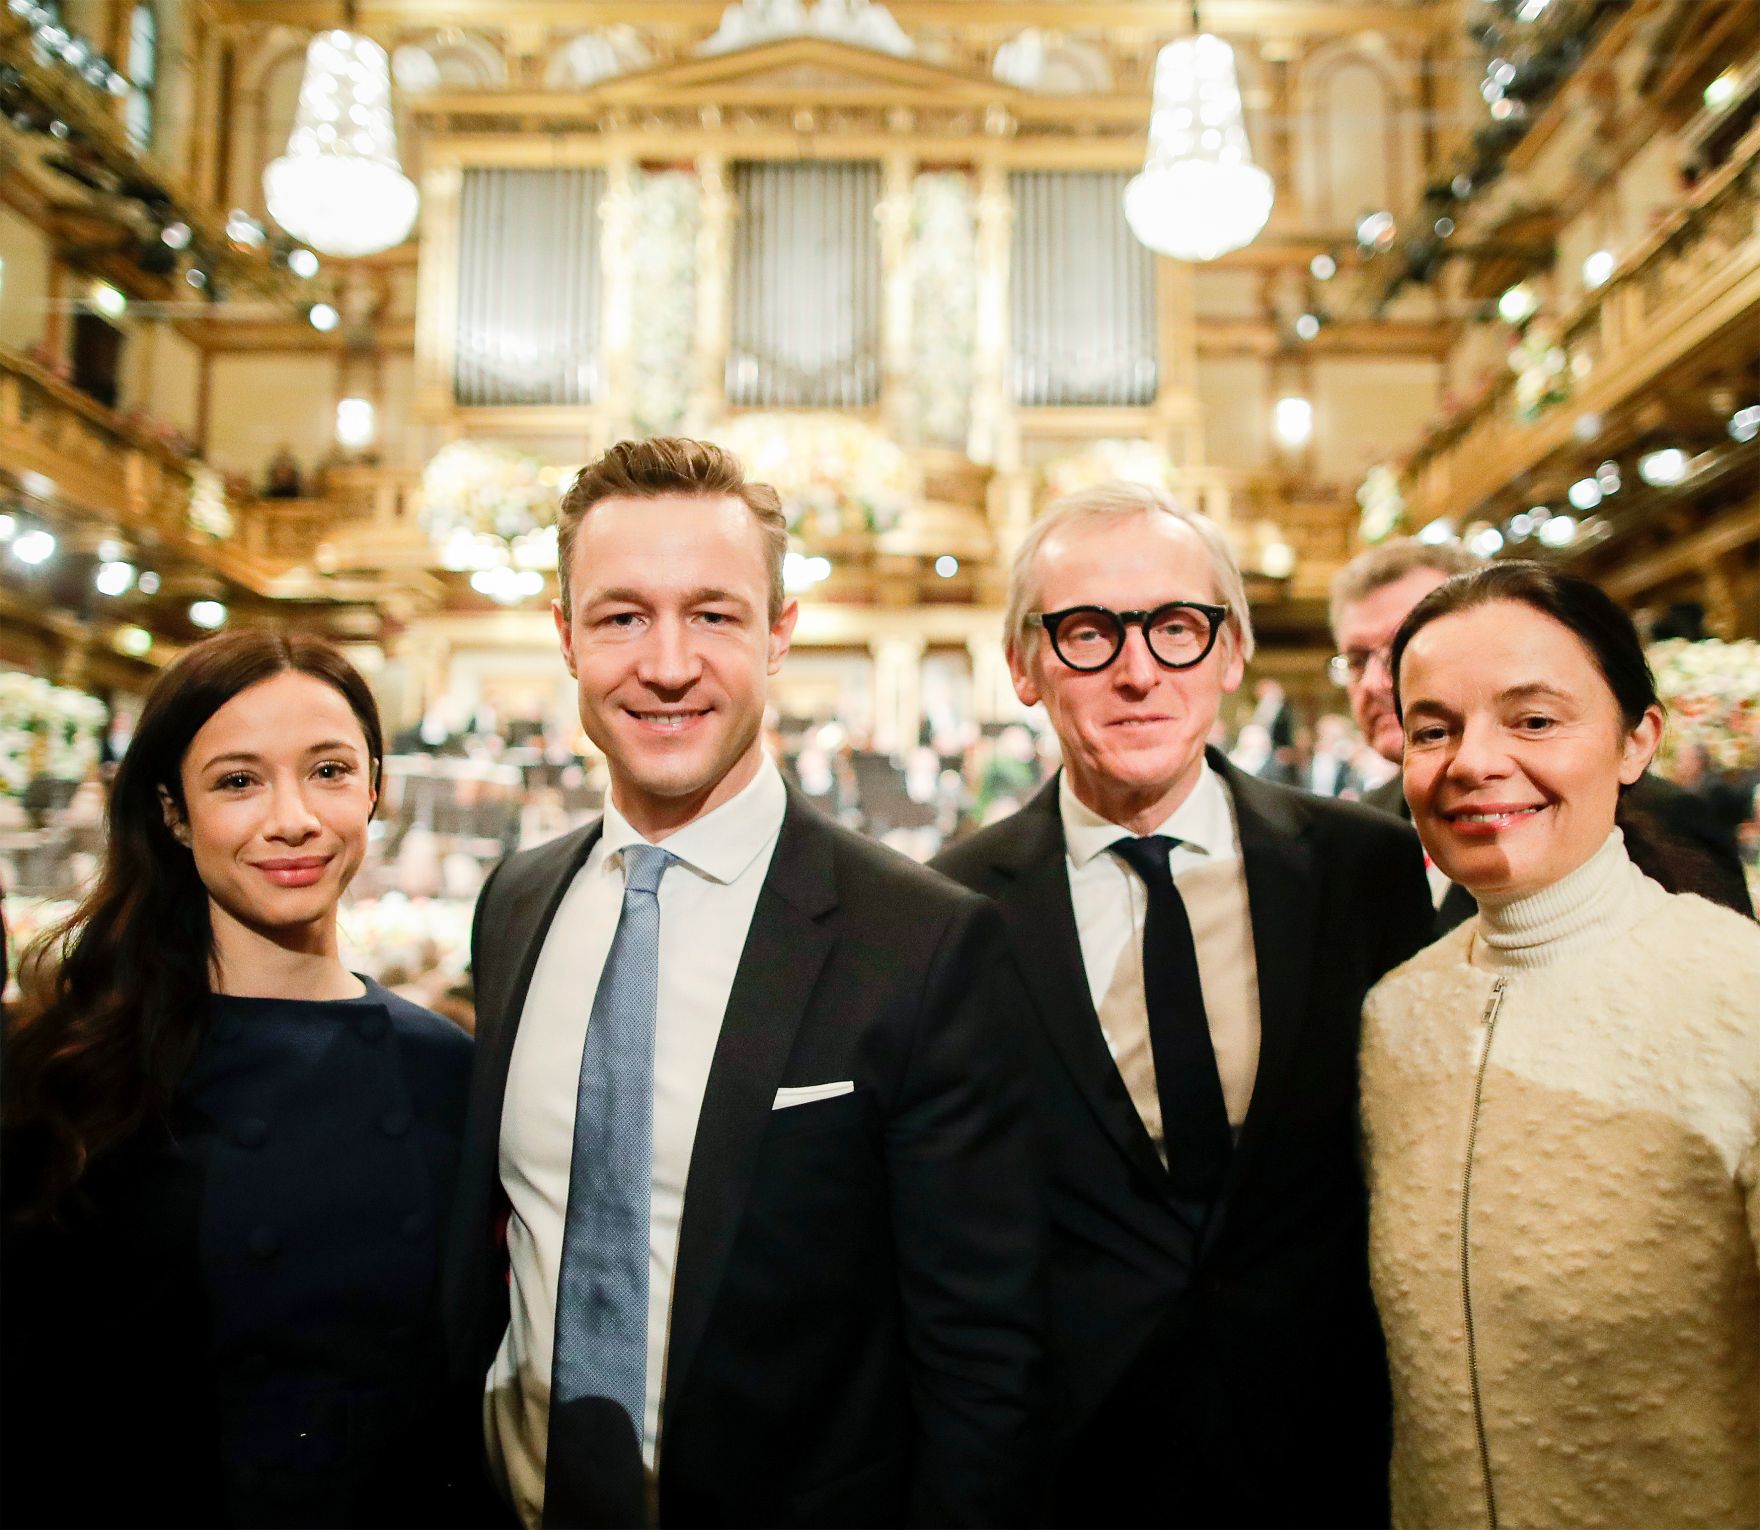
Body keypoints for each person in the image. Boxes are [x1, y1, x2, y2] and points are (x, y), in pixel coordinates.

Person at [449, 436, 1042, 1529]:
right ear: (564, 639)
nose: (666, 663)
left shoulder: (919, 940)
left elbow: (980, 1363)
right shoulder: (517, 904)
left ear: (778, 635)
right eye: (621, 615)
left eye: (713, 615)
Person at [931, 482, 1434, 1528]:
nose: (1135, 670)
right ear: (1023, 666)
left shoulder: (1363, 871)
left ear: (1231, 654)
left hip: (1330, 1443)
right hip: (1073, 1459)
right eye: (1085, 632)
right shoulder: (947, 914)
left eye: (1174, 627)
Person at [1, 631, 478, 1528]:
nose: (292, 817)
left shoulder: (445, 1066)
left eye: (329, 771)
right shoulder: (66, 1069)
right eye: (237, 781)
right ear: (173, 812)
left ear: (374, 789)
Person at [1360, 562, 1760, 1528]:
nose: (1475, 762)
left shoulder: (1740, 995)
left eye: (1534, 721)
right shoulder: (1396, 1015)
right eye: (1434, 729)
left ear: (1637, 742)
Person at [1330, 538, 1752, 927]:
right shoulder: (1358, 832)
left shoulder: (1665, 817)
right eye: (1356, 659)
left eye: (1535, 722)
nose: (1375, 683)